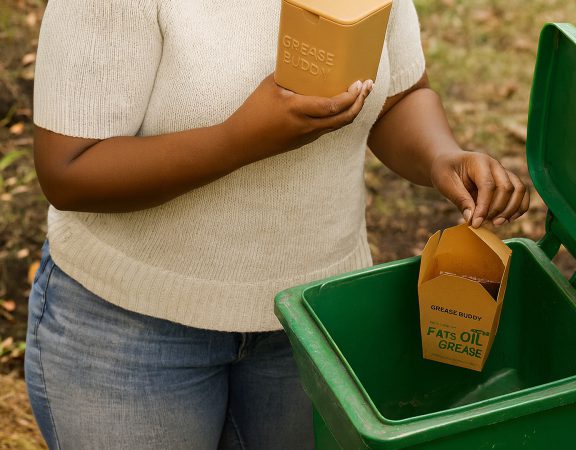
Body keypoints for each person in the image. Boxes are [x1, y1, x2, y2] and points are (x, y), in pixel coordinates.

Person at [24, 0, 530, 448]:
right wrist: (241, 139)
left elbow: (399, 96)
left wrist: (443, 156)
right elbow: (70, 171)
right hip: (129, 329)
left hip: (311, 321)